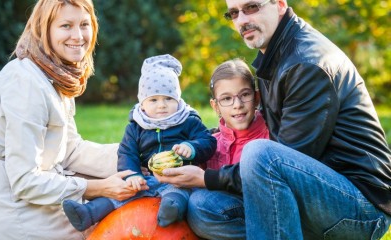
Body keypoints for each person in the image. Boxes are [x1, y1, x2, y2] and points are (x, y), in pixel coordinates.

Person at [155, 0, 391, 239]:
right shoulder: (274, 56)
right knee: (204, 207)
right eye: (234, 13)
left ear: (279, 4)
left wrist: (207, 177)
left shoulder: (305, 64)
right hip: (314, 189)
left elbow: (280, 158)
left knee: (259, 154)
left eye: (251, 7)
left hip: (361, 207)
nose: (242, 20)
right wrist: (191, 147)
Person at [0, 1, 146, 239]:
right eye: (66, 26)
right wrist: (98, 187)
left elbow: (69, 149)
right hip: (1, 205)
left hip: (23, 192)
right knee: (94, 227)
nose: (78, 36)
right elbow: (25, 180)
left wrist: (140, 156)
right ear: (43, 29)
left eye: (84, 25)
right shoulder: (26, 84)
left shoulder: (53, 73)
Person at [62, 54, 217, 231]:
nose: (162, 105)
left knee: (178, 195)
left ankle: (172, 211)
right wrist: (133, 175)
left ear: (178, 100)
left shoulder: (188, 121)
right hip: (146, 180)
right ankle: (87, 213)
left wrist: (192, 147)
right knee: (121, 195)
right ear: (142, 104)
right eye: (153, 100)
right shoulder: (137, 127)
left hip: (179, 179)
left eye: (168, 98)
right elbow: (127, 153)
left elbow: (208, 141)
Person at [205, 58, 269, 171]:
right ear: (215, 106)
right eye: (227, 98)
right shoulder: (208, 146)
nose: (237, 105)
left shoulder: (270, 141)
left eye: (245, 95)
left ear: (257, 98)